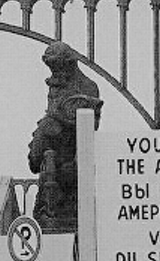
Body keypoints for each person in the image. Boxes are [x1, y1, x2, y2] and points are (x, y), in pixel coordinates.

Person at [27, 41, 104, 231]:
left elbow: (91, 124)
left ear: (68, 64)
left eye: (58, 67)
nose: (55, 73)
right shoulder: (56, 85)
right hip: (52, 146)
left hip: (73, 147)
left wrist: (59, 119)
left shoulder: (88, 86)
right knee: (42, 159)